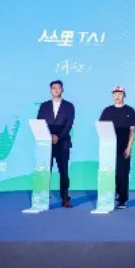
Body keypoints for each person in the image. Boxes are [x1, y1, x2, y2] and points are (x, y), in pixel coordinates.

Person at [36, 80, 75, 208]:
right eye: (53, 88)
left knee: (63, 172)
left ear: (62, 89)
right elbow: (40, 123)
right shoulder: (44, 106)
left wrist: (58, 137)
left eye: (58, 88)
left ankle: (65, 198)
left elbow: (69, 125)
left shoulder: (69, 106)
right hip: (46, 144)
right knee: (45, 171)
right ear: (50, 90)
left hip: (63, 143)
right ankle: (42, 199)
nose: (56, 90)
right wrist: (49, 136)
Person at [99, 86, 135, 209]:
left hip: (123, 147)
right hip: (109, 147)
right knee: (109, 173)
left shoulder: (130, 111)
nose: (117, 96)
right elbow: (102, 128)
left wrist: (129, 147)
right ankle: (110, 196)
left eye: (120, 94)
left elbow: (132, 130)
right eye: (115, 94)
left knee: (123, 174)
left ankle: (122, 199)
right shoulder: (107, 111)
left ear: (124, 95)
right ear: (112, 96)